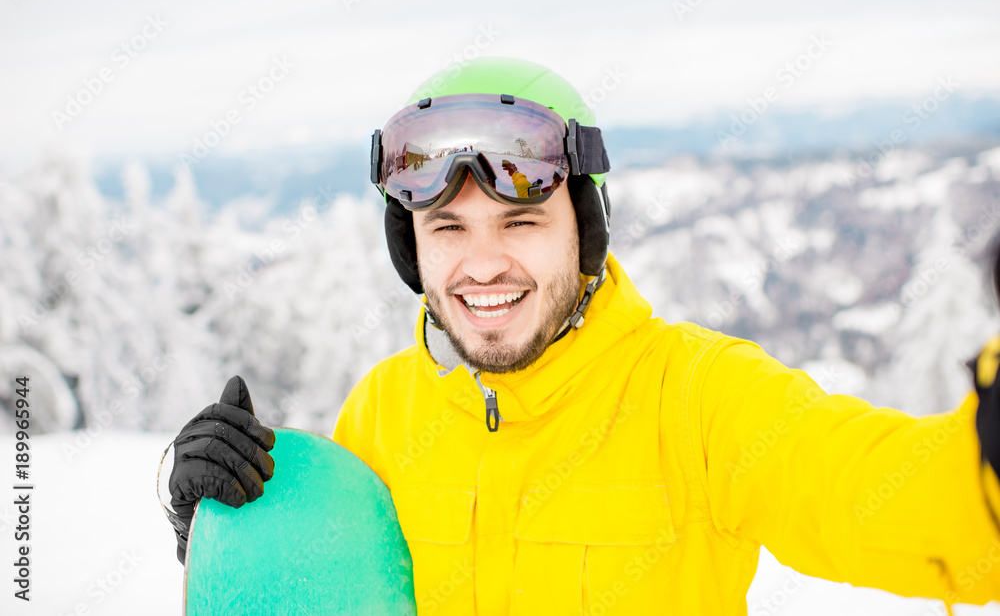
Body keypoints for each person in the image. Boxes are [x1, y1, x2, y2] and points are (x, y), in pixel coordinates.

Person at [163, 57, 1000, 614]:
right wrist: (227, 530)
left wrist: (989, 464)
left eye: (520, 220)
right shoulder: (381, 412)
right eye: (447, 228)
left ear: (586, 231)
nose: (481, 265)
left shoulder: (696, 396)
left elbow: (890, 498)